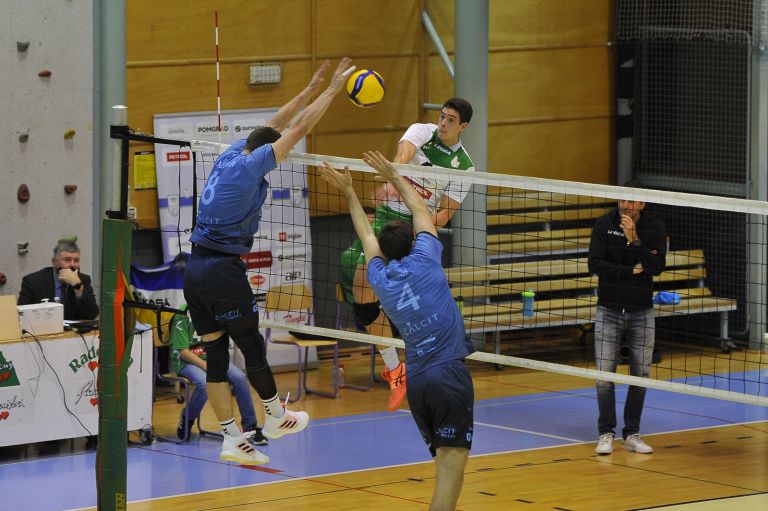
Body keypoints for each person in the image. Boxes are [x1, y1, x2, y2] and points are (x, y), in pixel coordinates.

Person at [183, 57, 355, 465]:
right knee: (250, 347)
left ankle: (231, 438)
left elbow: (275, 124)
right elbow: (297, 129)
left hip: (195, 270)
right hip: (223, 272)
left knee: (217, 358)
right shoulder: (250, 167)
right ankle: (276, 417)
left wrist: (310, 88)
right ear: (265, 154)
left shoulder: (233, 153)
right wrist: (334, 90)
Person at [320, 151, 475, 510]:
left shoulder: (380, 278)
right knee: (450, 473)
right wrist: (394, 174)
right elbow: (419, 209)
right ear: (415, 243)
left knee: (444, 469)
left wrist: (349, 192)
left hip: (417, 382)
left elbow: (365, 234)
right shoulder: (427, 259)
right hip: (449, 374)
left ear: (385, 254)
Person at [338, 98, 474, 413]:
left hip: (418, 227)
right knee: (358, 282)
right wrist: (392, 176)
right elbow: (404, 155)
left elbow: (445, 215)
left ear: (463, 126)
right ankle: (394, 368)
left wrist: (420, 226)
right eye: (442, 117)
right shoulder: (422, 131)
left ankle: (426, 359)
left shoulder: (465, 167)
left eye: (451, 120)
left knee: (401, 295)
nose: (443, 123)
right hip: (388, 215)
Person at [588, 198, 667, 455]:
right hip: (608, 309)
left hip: (641, 312)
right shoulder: (604, 224)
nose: (626, 205)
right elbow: (594, 264)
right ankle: (605, 433)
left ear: (642, 204)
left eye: (632, 201)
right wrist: (629, 270)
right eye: (623, 199)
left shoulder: (654, 227)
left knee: (640, 375)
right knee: (604, 377)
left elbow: (656, 267)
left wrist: (635, 239)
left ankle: (632, 433)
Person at [170, 305, 267, 445]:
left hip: (213, 358)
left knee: (240, 378)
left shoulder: (215, 309)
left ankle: (250, 427)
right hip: (186, 362)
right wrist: (208, 367)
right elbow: (184, 353)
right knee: (205, 384)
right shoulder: (182, 314)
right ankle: (188, 417)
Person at [18, 239, 99, 320]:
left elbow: (91, 315)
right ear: (54, 261)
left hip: (73, 328)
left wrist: (78, 287)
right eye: (67, 260)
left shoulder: (83, 280)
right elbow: (21, 315)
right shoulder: (33, 281)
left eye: (76, 260)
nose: (72, 265)